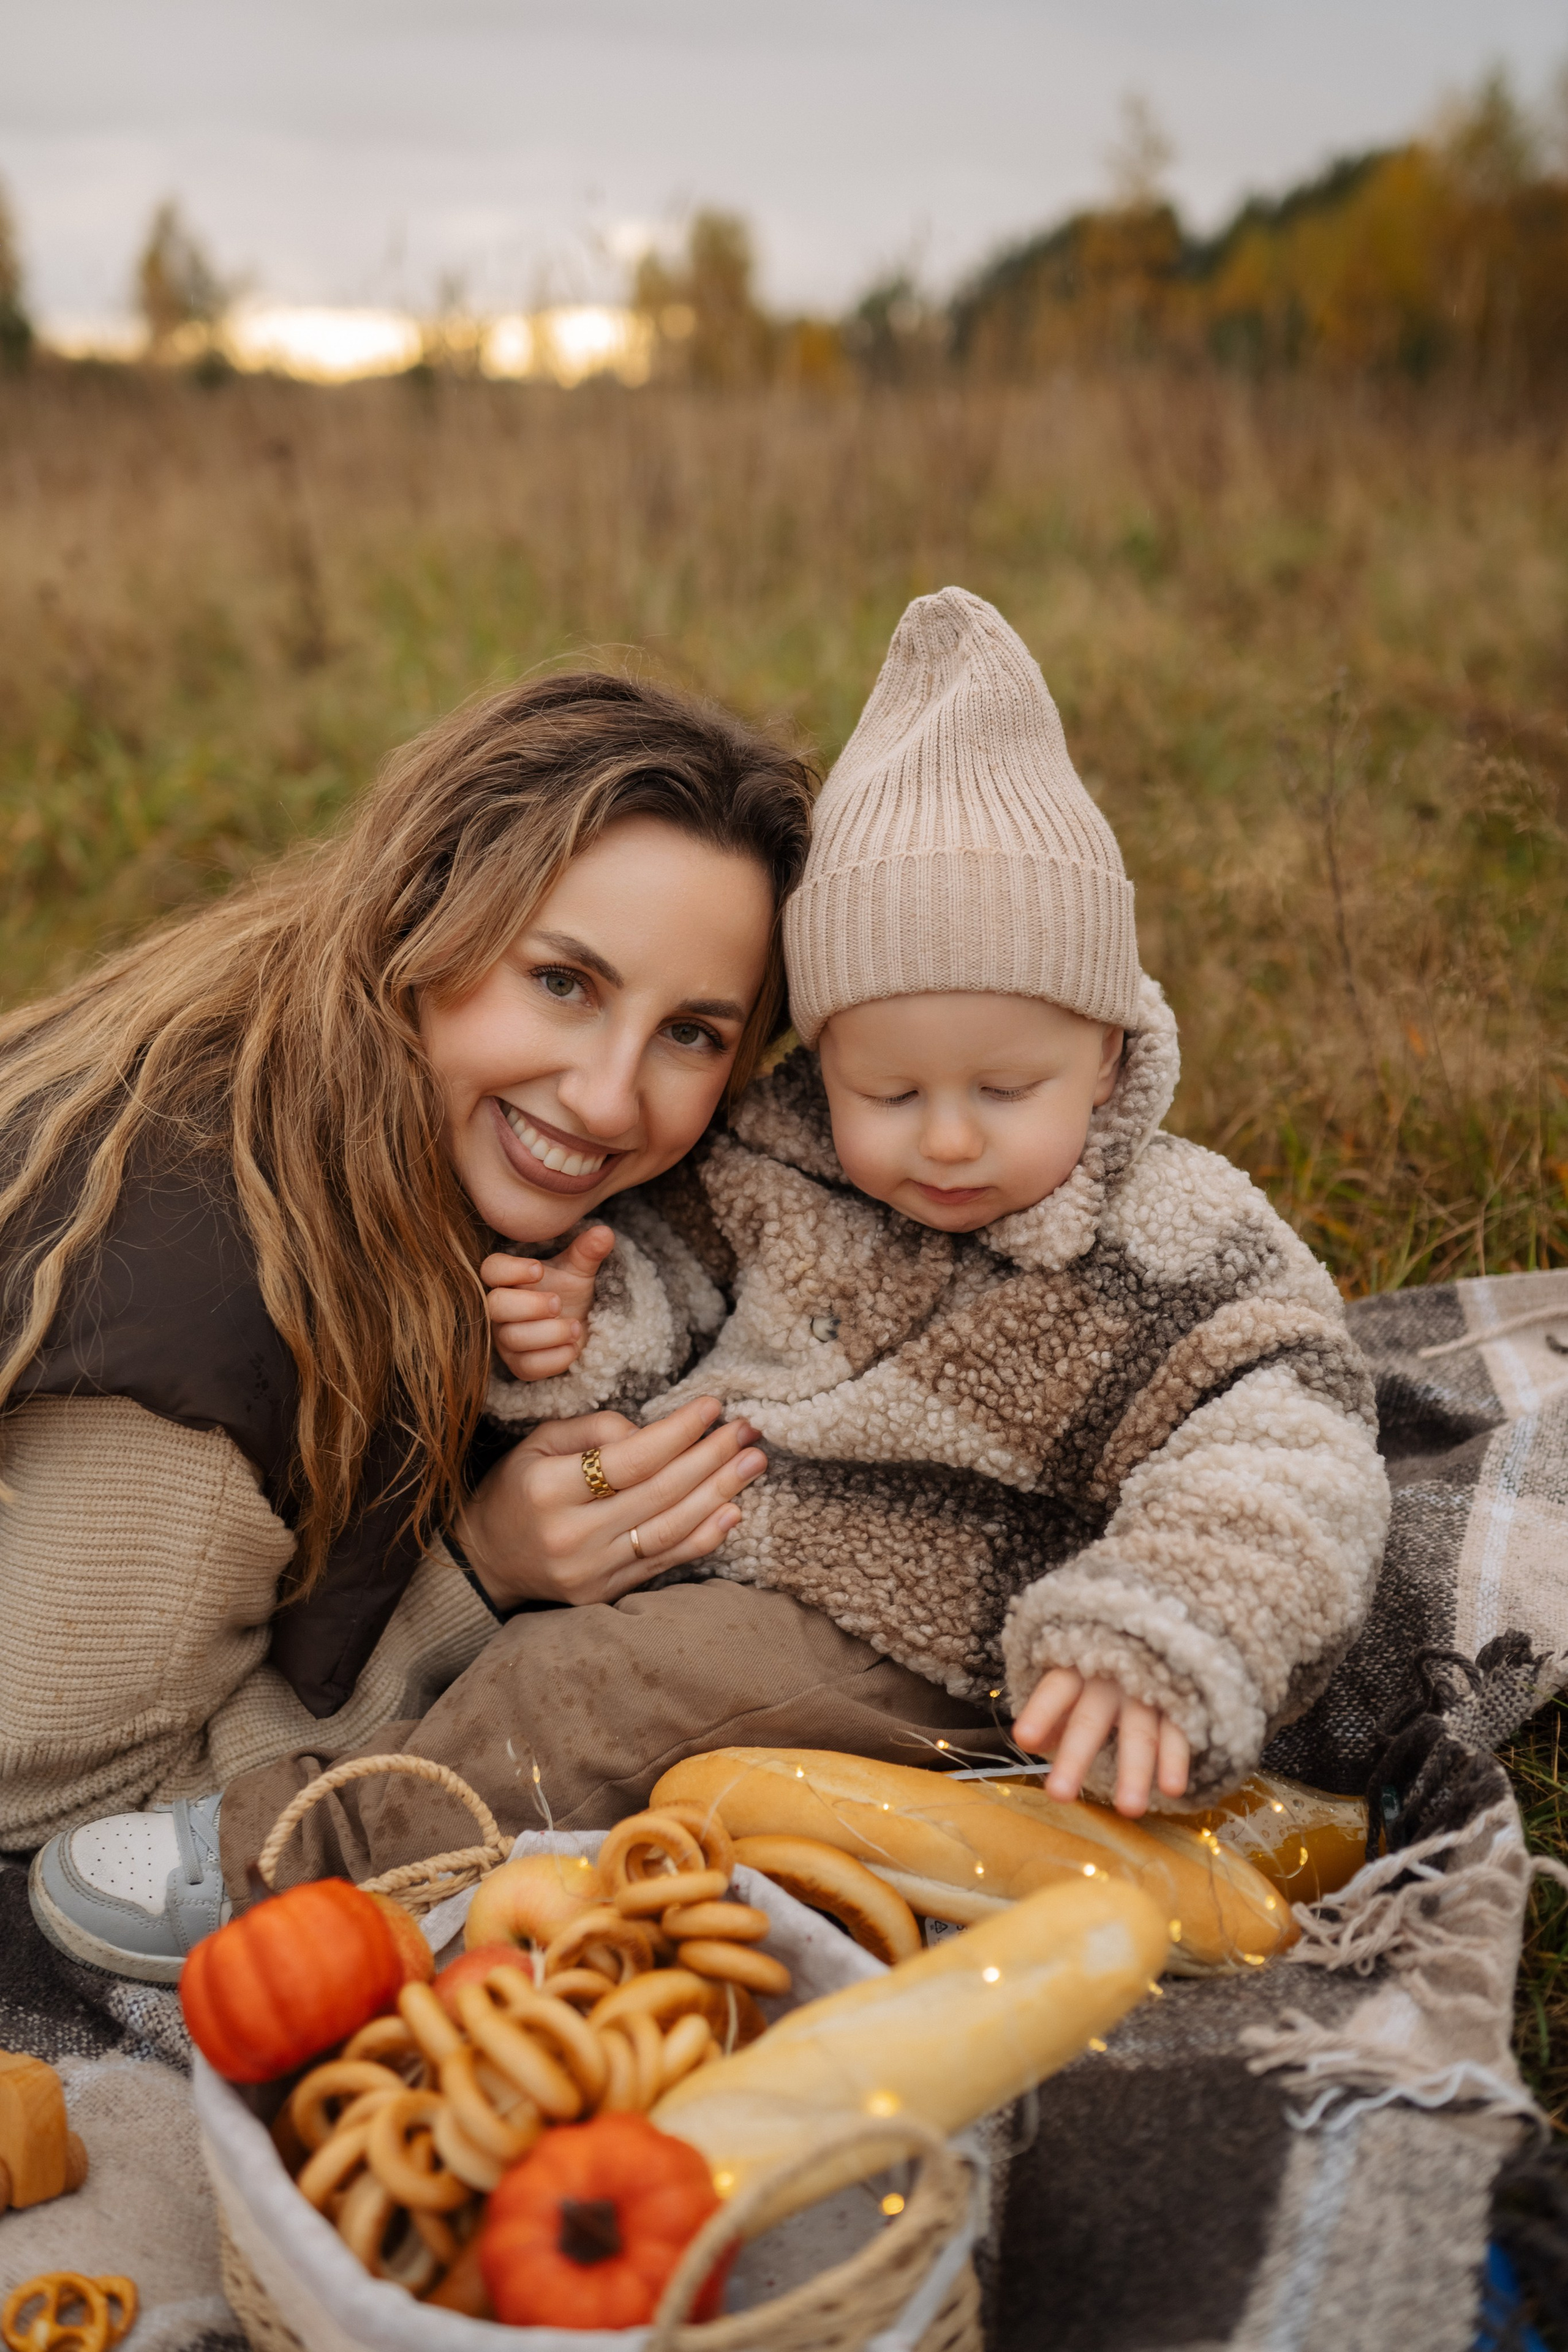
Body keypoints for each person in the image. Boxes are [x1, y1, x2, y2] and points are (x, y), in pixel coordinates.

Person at [481, 587, 1393, 1816]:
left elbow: (1292, 1453)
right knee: (528, 1656)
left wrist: (1162, 1622)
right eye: (889, 1089)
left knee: (576, 1691)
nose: (949, 1138)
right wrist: (582, 1324)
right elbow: (665, 1272)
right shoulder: (775, 1160)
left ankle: (277, 1854)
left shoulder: (1178, 1246)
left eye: (1007, 1087)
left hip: (941, 1631)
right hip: (691, 1549)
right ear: (821, 1064)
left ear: (1109, 1059)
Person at [15, 669, 826, 1977]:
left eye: (690, 1032)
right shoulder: (199, 1316)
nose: (612, 1099)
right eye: (562, 982)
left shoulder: (350, 1076)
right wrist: (477, 1577)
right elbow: (58, 1817)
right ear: (420, 920)